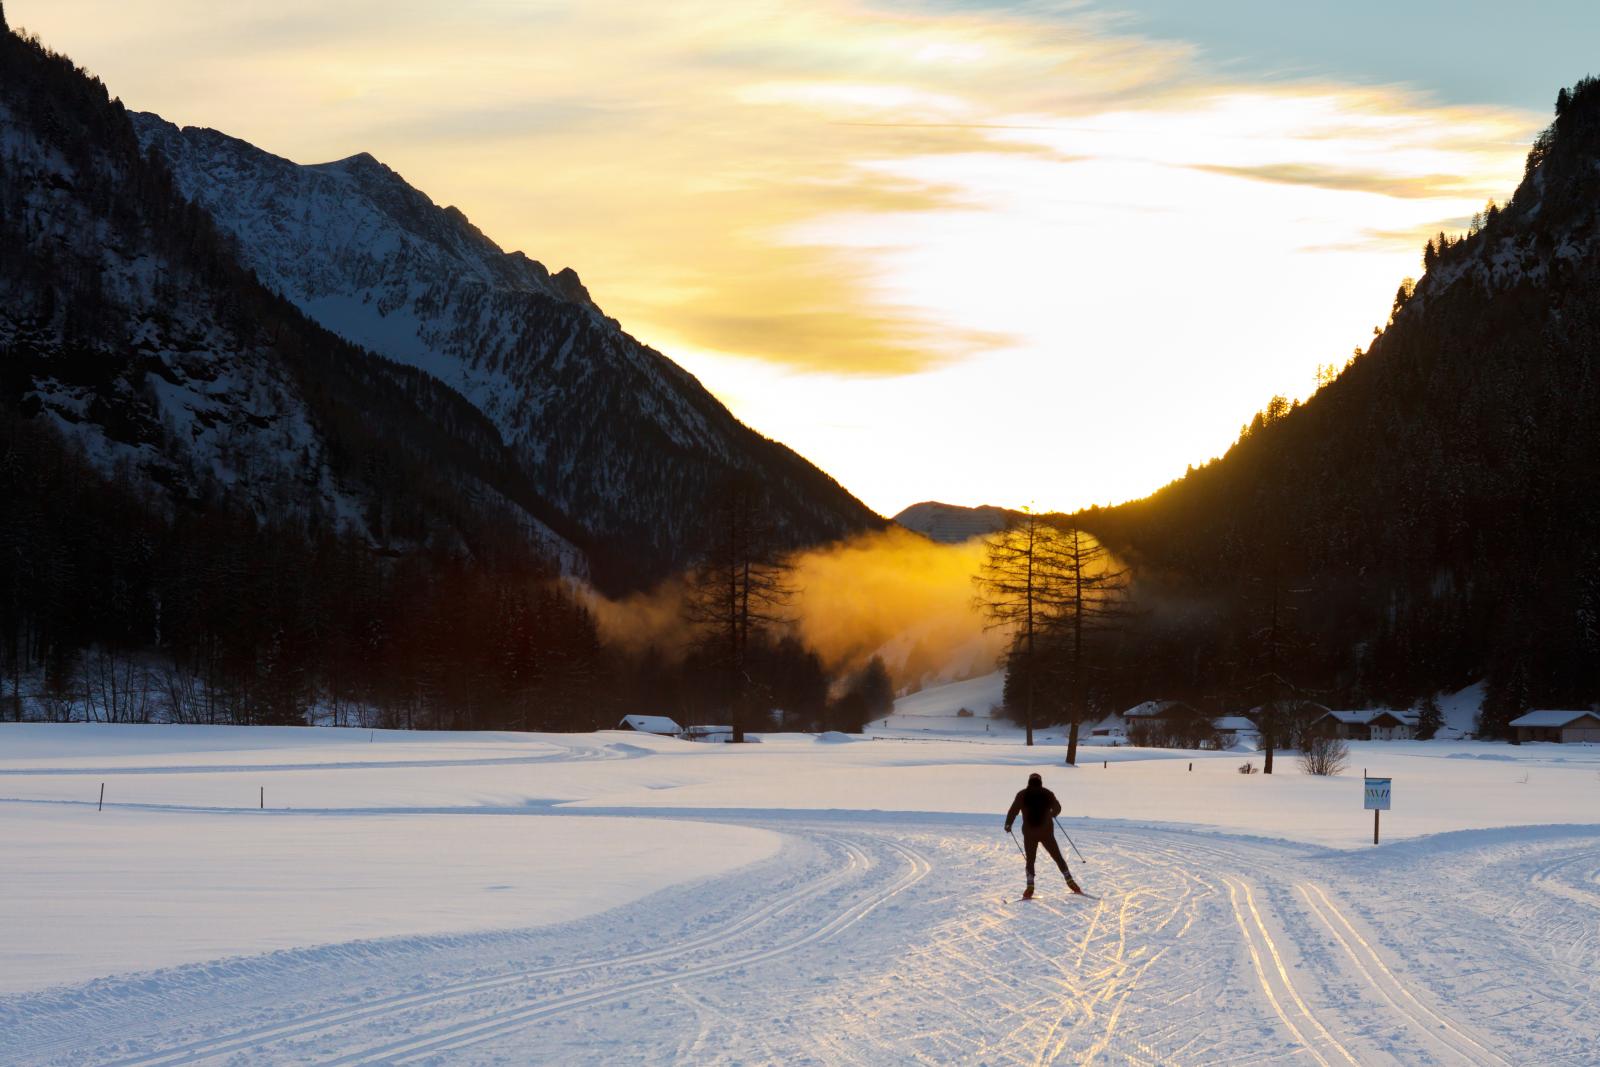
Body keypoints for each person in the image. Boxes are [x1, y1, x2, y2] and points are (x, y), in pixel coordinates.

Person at [1004, 772, 1083, 899]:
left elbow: (1013, 810)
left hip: (1029, 833)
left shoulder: (1022, 794)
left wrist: (1008, 824)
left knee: (1030, 860)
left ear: (1029, 782)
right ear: (1040, 781)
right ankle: (1071, 882)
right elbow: (1058, 807)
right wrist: (1052, 814)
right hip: (1046, 832)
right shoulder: (1047, 793)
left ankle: (1030, 887)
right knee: (1057, 857)